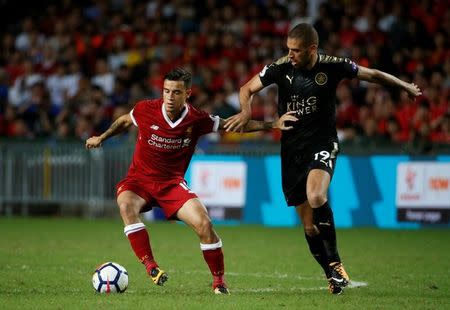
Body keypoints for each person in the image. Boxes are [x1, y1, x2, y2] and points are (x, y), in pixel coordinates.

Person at [224, 23, 422, 295]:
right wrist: (246, 114)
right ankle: (331, 274)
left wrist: (404, 86)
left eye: (296, 50)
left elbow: (373, 74)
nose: (290, 55)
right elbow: (247, 89)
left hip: (322, 143)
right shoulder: (280, 67)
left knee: (316, 196)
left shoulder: (333, 66)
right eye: (288, 49)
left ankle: (336, 263)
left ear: (312, 49)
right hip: (292, 150)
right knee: (309, 226)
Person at [85, 67, 296, 295]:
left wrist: (271, 124)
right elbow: (126, 120)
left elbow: (232, 125)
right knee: (125, 205)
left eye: (176, 92)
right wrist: (102, 137)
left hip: (171, 185)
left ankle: (219, 283)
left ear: (187, 93)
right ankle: (151, 266)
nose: (169, 97)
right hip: (139, 181)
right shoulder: (146, 109)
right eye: (166, 91)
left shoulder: (196, 119)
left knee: (205, 225)